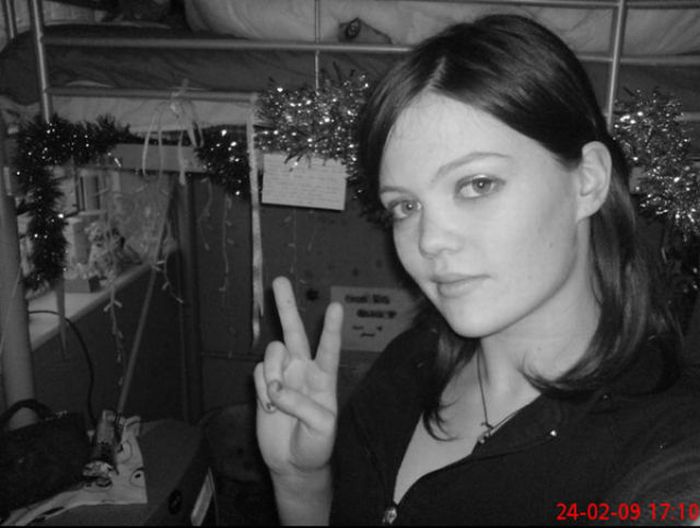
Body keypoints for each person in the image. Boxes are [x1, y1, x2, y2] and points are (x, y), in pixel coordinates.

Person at [253, 14, 700, 525]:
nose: (429, 241)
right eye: (405, 206)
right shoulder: (406, 367)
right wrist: (301, 483)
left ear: (589, 181)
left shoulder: (665, 443)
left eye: (477, 184)